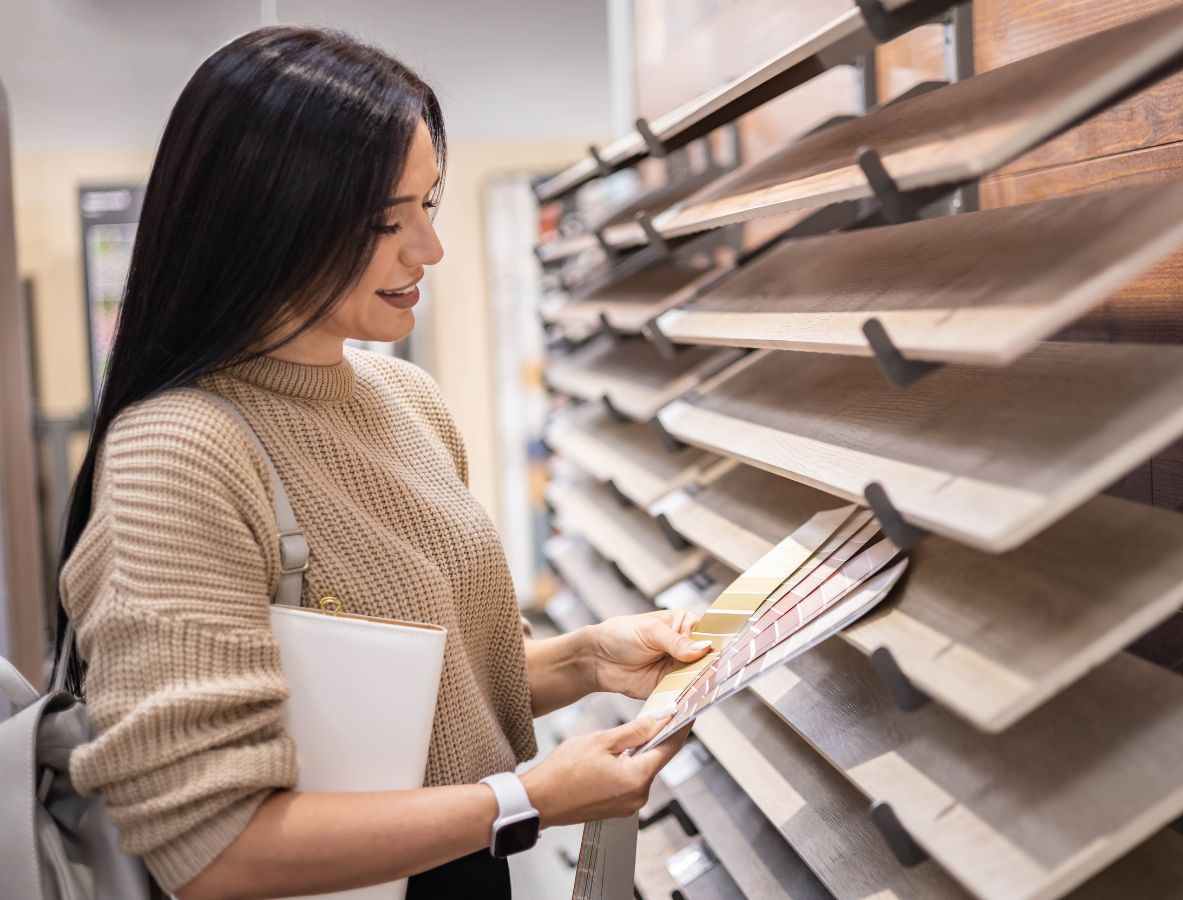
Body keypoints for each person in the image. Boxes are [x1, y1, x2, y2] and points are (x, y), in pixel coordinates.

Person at [55, 26, 709, 900]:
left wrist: (588, 661)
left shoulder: (408, 401)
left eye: (429, 203)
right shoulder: (179, 453)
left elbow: (428, 698)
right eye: (383, 221)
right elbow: (212, 849)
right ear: (268, 218)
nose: (427, 249)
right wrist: (522, 799)